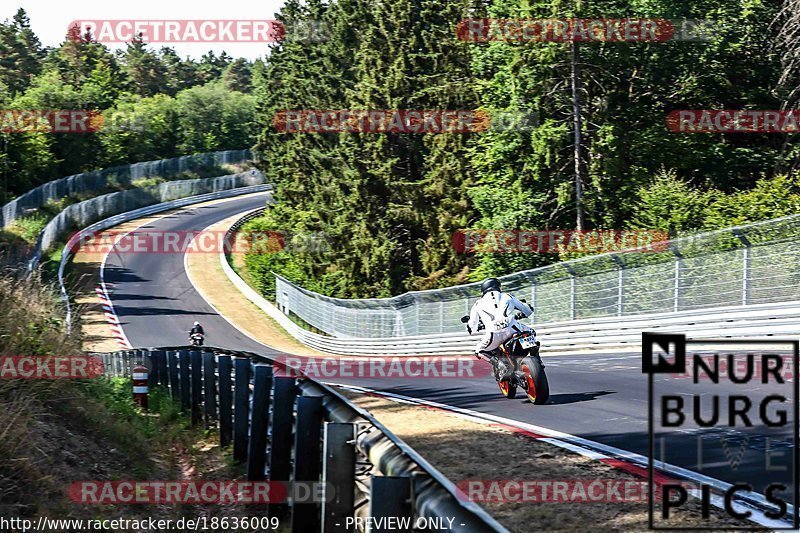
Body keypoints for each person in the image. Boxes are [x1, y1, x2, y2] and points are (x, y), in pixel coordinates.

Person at [466, 277, 533, 356]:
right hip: (514, 329)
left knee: (479, 351)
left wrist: (471, 328)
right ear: (498, 287)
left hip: (494, 335)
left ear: (483, 290)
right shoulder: (507, 296)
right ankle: (535, 355)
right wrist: (524, 311)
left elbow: (472, 327)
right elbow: (528, 310)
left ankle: (498, 363)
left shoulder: (477, 304)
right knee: (531, 332)